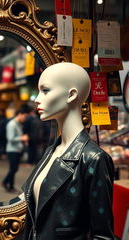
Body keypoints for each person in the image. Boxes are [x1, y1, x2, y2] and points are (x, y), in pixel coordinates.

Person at [22, 62, 114, 239]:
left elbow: (102, 235)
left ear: (71, 95)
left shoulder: (93, 159)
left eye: (46, 90)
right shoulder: (52, 151)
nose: (36, 98)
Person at [2, 107, 29, 193]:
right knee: (13, 168)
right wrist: (22, 138)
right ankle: (8, 184)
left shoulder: (18, 124)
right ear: (19, 114)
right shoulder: (12, 124)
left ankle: (7, 184)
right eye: (24, 117)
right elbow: (10, 139)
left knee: (14, 168)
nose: (25, 119)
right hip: (12, 150)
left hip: (16, 150)